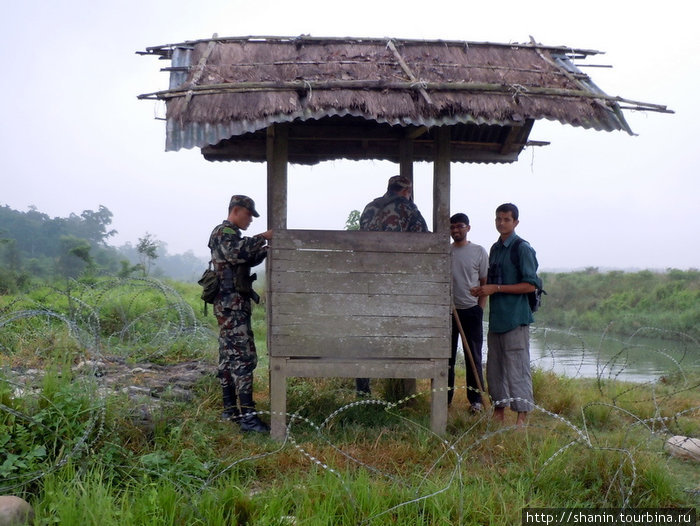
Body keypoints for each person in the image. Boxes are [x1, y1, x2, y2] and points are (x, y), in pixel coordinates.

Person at [355, 175, 429, 395]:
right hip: (396, 282)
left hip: (368, 280)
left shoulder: (370, 207)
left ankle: (363, 389)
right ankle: (399, 390)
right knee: (398, 331)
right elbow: (424, 241)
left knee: (367, 332)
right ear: (407, 191)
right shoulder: (408, 208)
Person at [208, 195, 273, 433]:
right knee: (244, 359)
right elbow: (237, 253)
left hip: (230, 306)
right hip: (231, 307)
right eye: (248, 215)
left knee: (228, 358)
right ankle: (248, 418)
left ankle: (230, 411)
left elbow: (246, 257)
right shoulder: (224, 232)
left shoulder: (230, 234)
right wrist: (263, 237)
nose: (250, 221)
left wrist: (265, 249)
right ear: (236, 210)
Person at [470, 203, 538, 426]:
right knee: (495, 369)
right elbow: (494, 280)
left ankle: (521, 417)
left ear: (515, 222)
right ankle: (499, 411)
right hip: (497, 319)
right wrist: (482, 289)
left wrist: (495, 289)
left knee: (517, 368)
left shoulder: (522, 248)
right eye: (498, 219)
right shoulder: (495, 248)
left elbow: (530, 285)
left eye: (506, 219)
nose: (501, 223)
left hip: (515, 319)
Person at [449, 213, 488, 413]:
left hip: (471, 311)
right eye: (453, 227)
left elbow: (484, 283)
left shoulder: (478, 251)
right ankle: (445, 399)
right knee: (447, 357)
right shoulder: (446, 252)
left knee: (473, 356)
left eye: (460, 226)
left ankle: (476, 401)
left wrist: (479, 309)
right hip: (448, 312)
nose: (456, 230)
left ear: (468, 228)